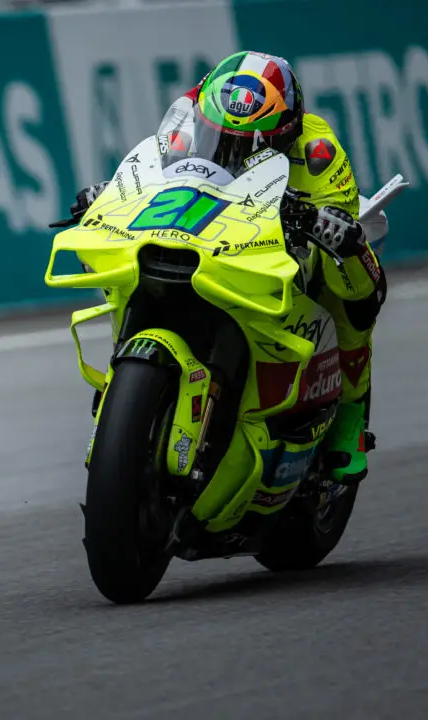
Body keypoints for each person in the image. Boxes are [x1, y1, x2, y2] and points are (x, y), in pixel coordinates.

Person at [69, 50, 388, 485]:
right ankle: (121, 393)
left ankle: (350, 415)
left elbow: (341, 219)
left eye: (255, 141)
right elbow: (152, 174)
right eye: (222, 135)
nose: (235, 147)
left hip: (282, 260)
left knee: (353, 280)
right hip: (207, 240)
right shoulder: (186, 123)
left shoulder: (318, 153)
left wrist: (326, 223)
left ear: (286, 132)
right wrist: (110, 193)